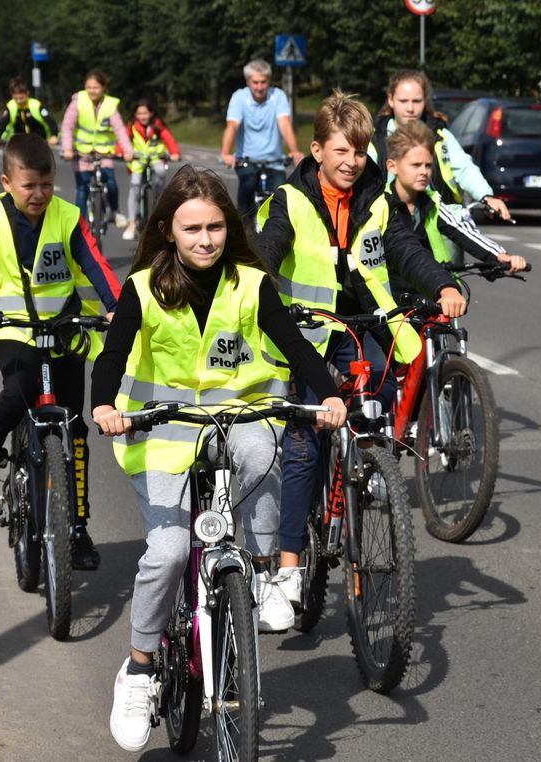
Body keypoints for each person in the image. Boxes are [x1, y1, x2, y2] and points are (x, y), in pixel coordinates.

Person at [91, 166, 346, 752]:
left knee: (263, 452)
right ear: (167, 230)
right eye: (192, 229)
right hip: (161, 430)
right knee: (171, 550)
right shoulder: (143, 287)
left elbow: (293, 344)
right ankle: (139, 667)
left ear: (228, 227)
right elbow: (112, 356)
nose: (205, 240)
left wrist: (328, 392)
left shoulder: (251, 283)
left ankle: (262, 573)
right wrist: (104, 404)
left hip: (239, 417)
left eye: (215, 227)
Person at [253, 90, 467, 606]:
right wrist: (253, 285)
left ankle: (368, 469)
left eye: (359, 152)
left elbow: (406, 250)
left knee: (373, 398)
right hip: (305, 333)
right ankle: (285, 573)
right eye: (341, 152)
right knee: (303, 447)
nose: (351, 163)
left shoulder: (378, 198)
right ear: (318, 150)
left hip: (360, 322)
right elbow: (266, 248)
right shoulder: (291, 199)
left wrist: (443, 284)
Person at [0, 133, 121, 571]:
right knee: (19, 388)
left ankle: (77, 530)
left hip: (63, 328)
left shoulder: (68, 216)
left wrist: (117, 307)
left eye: (46, 184)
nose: (39, 194)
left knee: (75, 428)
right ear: (6, 182)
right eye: (28, 186)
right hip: (13, 330)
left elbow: (96, 265)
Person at [384, 119, 527, 289]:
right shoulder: (380, 203)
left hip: (426, 291)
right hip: (387, 298)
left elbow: (463, 232)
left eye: (428, 165)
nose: (424, 172)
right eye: (415, 165)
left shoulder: (433, 203)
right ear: (392, 166)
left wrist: (500, 255)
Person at [369, 69, 512, 226]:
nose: (410, 108)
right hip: (389, 225)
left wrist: (486, 196)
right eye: (403, 101)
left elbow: (465, 168)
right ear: (391, 100)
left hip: (437, 222)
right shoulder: (376, 137)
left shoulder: (440, 136)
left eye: (416, 101)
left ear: (425, 101)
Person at [219, 58, 303, 215]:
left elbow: (284, 124)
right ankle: (244, 226)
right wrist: (225, 153)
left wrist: (294, 151)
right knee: (248, 184)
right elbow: (232, 126)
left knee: (281, 200)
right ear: (248, 81)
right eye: (255, 82)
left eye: (263, 82)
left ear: (269, 81)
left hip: (274, 161)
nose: (259, 87)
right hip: (246, 160)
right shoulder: (239, 97)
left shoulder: (278, 96)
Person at [61, 69, 133, 225]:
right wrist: (67, 149)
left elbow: (119, 130)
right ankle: (80, 224)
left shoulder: (110, 105)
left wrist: (128, 151)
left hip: (104, 154)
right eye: (89, 87)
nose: (92, 91)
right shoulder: (78, 102)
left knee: (111, 183)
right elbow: (67, 126)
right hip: (82, 154)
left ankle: (114, 211)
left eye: (96, 87)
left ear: (103, 88)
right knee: (82, 189)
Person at [120, 99, 180, 240]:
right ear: (135, 114)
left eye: (145, 113)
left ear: (151, 113)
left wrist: (174, 152)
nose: (143, 116)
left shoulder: (158, 125)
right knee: (134, 187)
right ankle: (132, 223)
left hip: (155, 158)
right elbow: (122, 140)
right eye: (139, 113)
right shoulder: (131, 126)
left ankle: (159, 195)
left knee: (160, 171)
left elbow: (169, 139)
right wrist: (122, 152)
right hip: (137, 160)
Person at [0, 77, 58, 147]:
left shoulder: (36, 105)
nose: (19, 101)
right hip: (18, 141)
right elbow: (3, 122)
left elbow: (50, 121)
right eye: (16, 98)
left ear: (27, 93)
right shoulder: (11, 106)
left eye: (21, 98)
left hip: (38, 141)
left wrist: (54, 135)